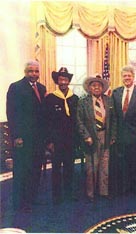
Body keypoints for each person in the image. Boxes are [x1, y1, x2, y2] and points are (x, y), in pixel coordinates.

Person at [6, 60, 47, 212]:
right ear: (25, 72)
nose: (33, 74)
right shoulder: (16, 87)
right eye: (30, 71)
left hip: (38, 140)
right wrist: (17, 136)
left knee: (35, 170)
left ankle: (31, 199)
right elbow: (12, 114)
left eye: (36, 71)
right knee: (22, 171)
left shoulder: (42, 88)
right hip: (22, 140)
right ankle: (19, 203)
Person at [111, 65, 136, 196]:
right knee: (123, 162)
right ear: (121, 77)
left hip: (135, 134)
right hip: (120, 135)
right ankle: (125, 188)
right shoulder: (115, 93)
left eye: (129, 75)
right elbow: (114, 116)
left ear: (133, 77)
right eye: (124, 76)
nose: (127, 78)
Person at [77, 76, 116, 202]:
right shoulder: (83, 102)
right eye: (93, 85)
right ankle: (90, 194)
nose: (96, 87)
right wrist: (86, 136)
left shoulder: (109, 101)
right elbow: (79, 121)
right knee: (91, 167)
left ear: (103, 88)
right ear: (89, 88)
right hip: (91, 137)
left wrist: (113, 136)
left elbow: (114, 120)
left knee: (105, 165)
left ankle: (103, 192)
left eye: (99, 85)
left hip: (105, 135)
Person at [44, 67, 79, 204]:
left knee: (70, 167)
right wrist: (49, 141)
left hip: (70, 139)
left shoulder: (75, 98)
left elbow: (77, 121)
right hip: (56, 140)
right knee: (56, 168)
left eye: (65, 79)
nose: (63, 82)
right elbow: (46, 122)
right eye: (60, 79)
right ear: (57, 81)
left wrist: (77, 140)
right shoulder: (50, 98)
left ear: (69, 81)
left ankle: (69, 194)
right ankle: (57, 196)